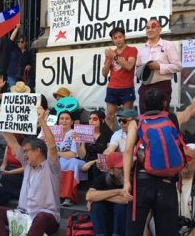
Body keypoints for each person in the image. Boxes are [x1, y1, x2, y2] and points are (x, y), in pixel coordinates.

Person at [123, 88, 195, 236]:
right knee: (167, 232)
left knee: (133, 231)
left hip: (141, 184)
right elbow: (190, 110)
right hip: (167, 185)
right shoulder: (173, 119)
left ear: (143, 104)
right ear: (164, 102)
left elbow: (128, 151)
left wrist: (126, 182)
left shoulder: (136, 123)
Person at [0, 106, 61, 236]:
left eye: (27, 150)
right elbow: (12, 142)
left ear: (38, 151)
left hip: (47, 218)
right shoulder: (27, 165)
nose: (24, 154)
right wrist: (1, 120)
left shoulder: (51, 167)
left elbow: (52, 146)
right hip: (23, 215)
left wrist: (42, 121)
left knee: (40, 217)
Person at [137, 19, 181, 114]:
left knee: (162, 116)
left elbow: (177, 66)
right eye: (147, 28)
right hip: (145, 87)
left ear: (159, 29)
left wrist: (159, 67)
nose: (150, 30)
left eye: (153, 27)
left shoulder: (168, 45)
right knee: (144, 116)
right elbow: (138, 67)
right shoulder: (142, 48)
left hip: (162, 86)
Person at [86, 152, 131, 236]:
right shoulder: (103, 179)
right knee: (95, 205)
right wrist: (117, 192)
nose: (124, 169)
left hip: (122, 222)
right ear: (111, 170)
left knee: (121, 207)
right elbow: (89, 196)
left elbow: (127, 200)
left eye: (124, 165)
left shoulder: (130, 179)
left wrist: (100, 196)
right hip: (106, 218)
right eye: (120, 167)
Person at [102, 27, 138, 130]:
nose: (118, 39)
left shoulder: (132, 50)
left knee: (127, 117)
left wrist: (115, 56)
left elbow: (129, 66)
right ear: (112, 40)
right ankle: (109, 141)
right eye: (115, 38)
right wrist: (109, 59)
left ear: (124, 37)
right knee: (109, 116)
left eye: (120, 37)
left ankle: (128, 141)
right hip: (112, 88)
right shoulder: (111, 53)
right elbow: (104, 73)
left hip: (127, 87)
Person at [77, 111, 113, 180]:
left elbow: (108, 155)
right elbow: (82, 155)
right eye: (90, 119)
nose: (91, 121)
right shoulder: (86, 133)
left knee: (96, 167)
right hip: (87, 162)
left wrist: (91, 163)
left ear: (102, 120)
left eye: (95, 119)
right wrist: (77, 143)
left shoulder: (108, 135)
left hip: (102, 163)